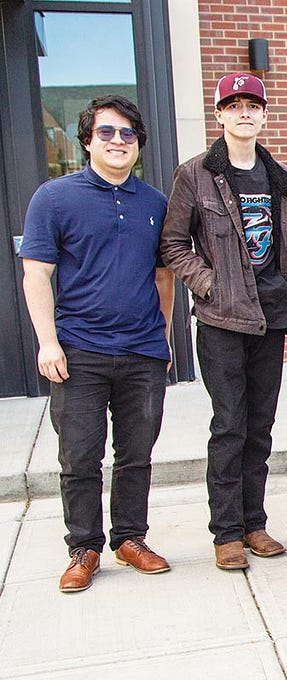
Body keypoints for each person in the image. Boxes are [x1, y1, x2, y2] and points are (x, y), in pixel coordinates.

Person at [20, 95, 174, 592]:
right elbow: (36, 275)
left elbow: (164, 277)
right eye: (106, 132)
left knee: (137, 453)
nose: (117, 142)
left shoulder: (153, 202)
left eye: (127, 134)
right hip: (78, 350)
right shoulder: (54, 197)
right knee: (80, 456)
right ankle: (83, 547)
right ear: (87, 140)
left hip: (142, 352)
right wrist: (48, 343)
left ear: (138, 145)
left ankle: (130, 539)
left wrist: (164, 337)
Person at [161, 73, 287, 570]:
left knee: (260, 426)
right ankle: (226, 532)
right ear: (218, 114)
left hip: (270, 319)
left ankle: (254, 523)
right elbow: (173, 245)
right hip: (222, 321)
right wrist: (211, 285)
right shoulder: (194, 174)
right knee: (229, 426)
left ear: (264, 115)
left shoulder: (282, 182)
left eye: (253, 105)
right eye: (233, 104)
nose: (244, 112)